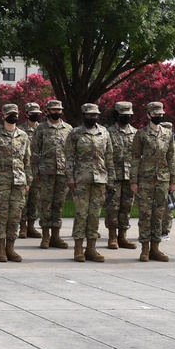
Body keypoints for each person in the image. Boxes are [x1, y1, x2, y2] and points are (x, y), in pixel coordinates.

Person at [65, 103, 114, 263]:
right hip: (81, 180)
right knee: (81, 214)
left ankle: (91, 249)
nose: (92, 117)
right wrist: (70, 179)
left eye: (95, 115)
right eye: (89, 115)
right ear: (83, 115)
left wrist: (110, 180)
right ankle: (78, 248)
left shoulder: (104, 133)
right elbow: (69, 158)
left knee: (94, 215)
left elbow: (109, 158)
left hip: (99, 180)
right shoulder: (75, 134)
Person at [130, 101, 175, 262]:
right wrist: (134, 181)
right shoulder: (141, 134)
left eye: (160, 114)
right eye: (155, 114)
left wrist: (173, 180)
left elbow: (171, 157)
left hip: (162, 180)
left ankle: (155, 249)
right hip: (145, 180)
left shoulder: (168, 134)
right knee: (145, 214)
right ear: (148, 115)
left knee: (158, 215)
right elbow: (135, 158)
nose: (158, 116)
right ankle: (144, 249)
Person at [0, 104, 31, 262]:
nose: (13, 116)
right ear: (3, 116)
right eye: (10, 114)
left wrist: (28, 181)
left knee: (15, 216)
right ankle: (0, 250)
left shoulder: (23, 136)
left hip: (18, 182)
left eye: (15, 113)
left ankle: (10, 248)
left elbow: (27, 160)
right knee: (1, 216)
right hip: (0, 181)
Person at [32, 100, 73, 249]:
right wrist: (35, 171)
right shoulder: (41, 129)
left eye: (58, 110)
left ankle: (56, 236)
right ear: (47, 112)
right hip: (45, 172)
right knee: (45, 204)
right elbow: (35, 151)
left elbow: (71, 152)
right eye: (53, 110)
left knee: (59, 203)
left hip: (63, 172)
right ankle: (45, 236)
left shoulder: (68, 129)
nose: (56, 112)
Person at [104, 101, 138, 250]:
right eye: (124, 115)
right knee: (112, 207)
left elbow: (138, 157)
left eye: (129, 115)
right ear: (117, 116)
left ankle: (122, 236)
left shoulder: (136, 133)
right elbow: (105, 155)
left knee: (126, 206)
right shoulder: (108, 132)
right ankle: (112, 237)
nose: (127, 118)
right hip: (114, 176)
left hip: (129, 176)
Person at [18, 102, 44, 239]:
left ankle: (31, 226)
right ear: (27, 114)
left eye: (37, 114)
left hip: (39, 170)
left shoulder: (42, 129)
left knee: (35, 199)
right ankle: (22, 227)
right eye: (33, 114)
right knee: (24, 199)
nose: (36, 116)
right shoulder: (20, 130)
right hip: (25, 169)